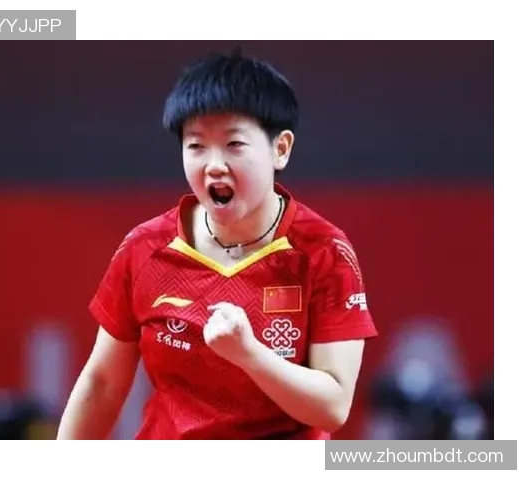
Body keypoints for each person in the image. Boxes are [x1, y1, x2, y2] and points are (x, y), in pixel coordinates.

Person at [56, 49, 378, 440]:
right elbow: (103, 382)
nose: (214, 164)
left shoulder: (323, 251)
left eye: (234, 144)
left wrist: (248, 354)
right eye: (196, 146)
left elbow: (332, 406)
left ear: (280, 149)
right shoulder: (145, 248)